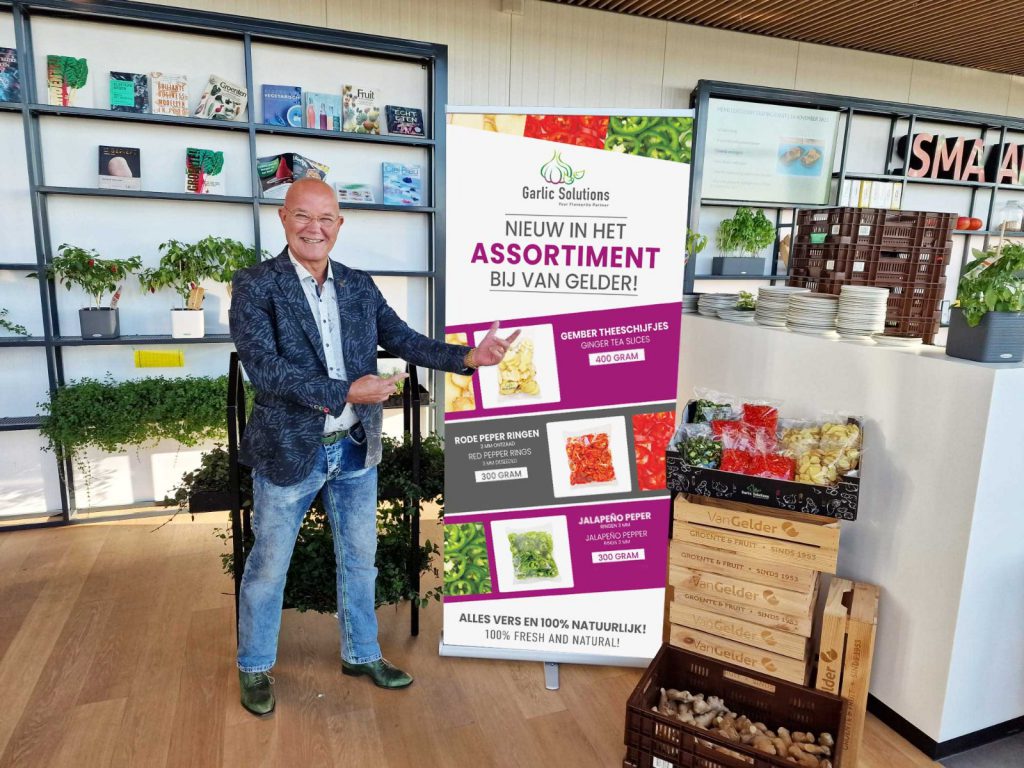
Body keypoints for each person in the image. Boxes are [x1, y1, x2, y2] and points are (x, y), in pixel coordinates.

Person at [229, 177, 517, 716]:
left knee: (361, 561)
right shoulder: (255, 284)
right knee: (268, 566)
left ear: (339, 225)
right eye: (303, 216)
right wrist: (345, 391)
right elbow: (264, 369)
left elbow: (404, 339)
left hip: (354, 447)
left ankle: (361, 654)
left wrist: (467, 358)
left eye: (326, 218)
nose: (315, 228)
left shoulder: (359, 285)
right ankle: (254, 665)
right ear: (283, 218)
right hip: (290, 449)